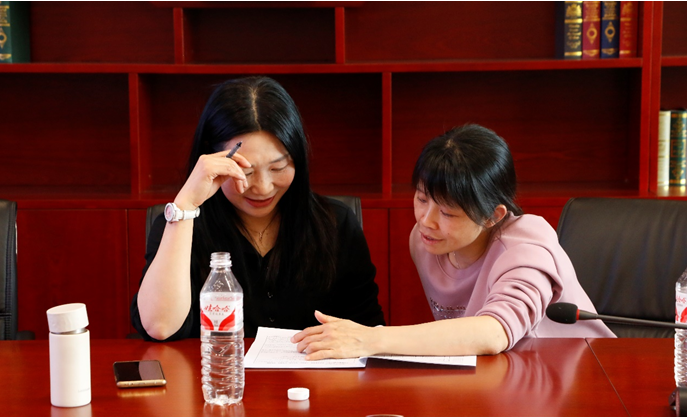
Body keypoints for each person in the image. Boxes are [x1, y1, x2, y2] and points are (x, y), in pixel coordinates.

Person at [292, 124, 615, 359]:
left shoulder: (527, 244)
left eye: (448, 212)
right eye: (422, 199)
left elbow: (493, 332)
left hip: (583, 376)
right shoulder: (424, 242)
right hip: (506, 374)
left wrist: (371, 339)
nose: (426, 220)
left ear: (492, 215)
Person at [131, 76, 385, 341]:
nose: (263, 188)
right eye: (245, 171)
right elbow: (159, 327)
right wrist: (185, 206)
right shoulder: (179, 226)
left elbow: (368, 329)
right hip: (215, 367)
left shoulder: (336, 223)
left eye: (278, 168)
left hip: (313, 369)